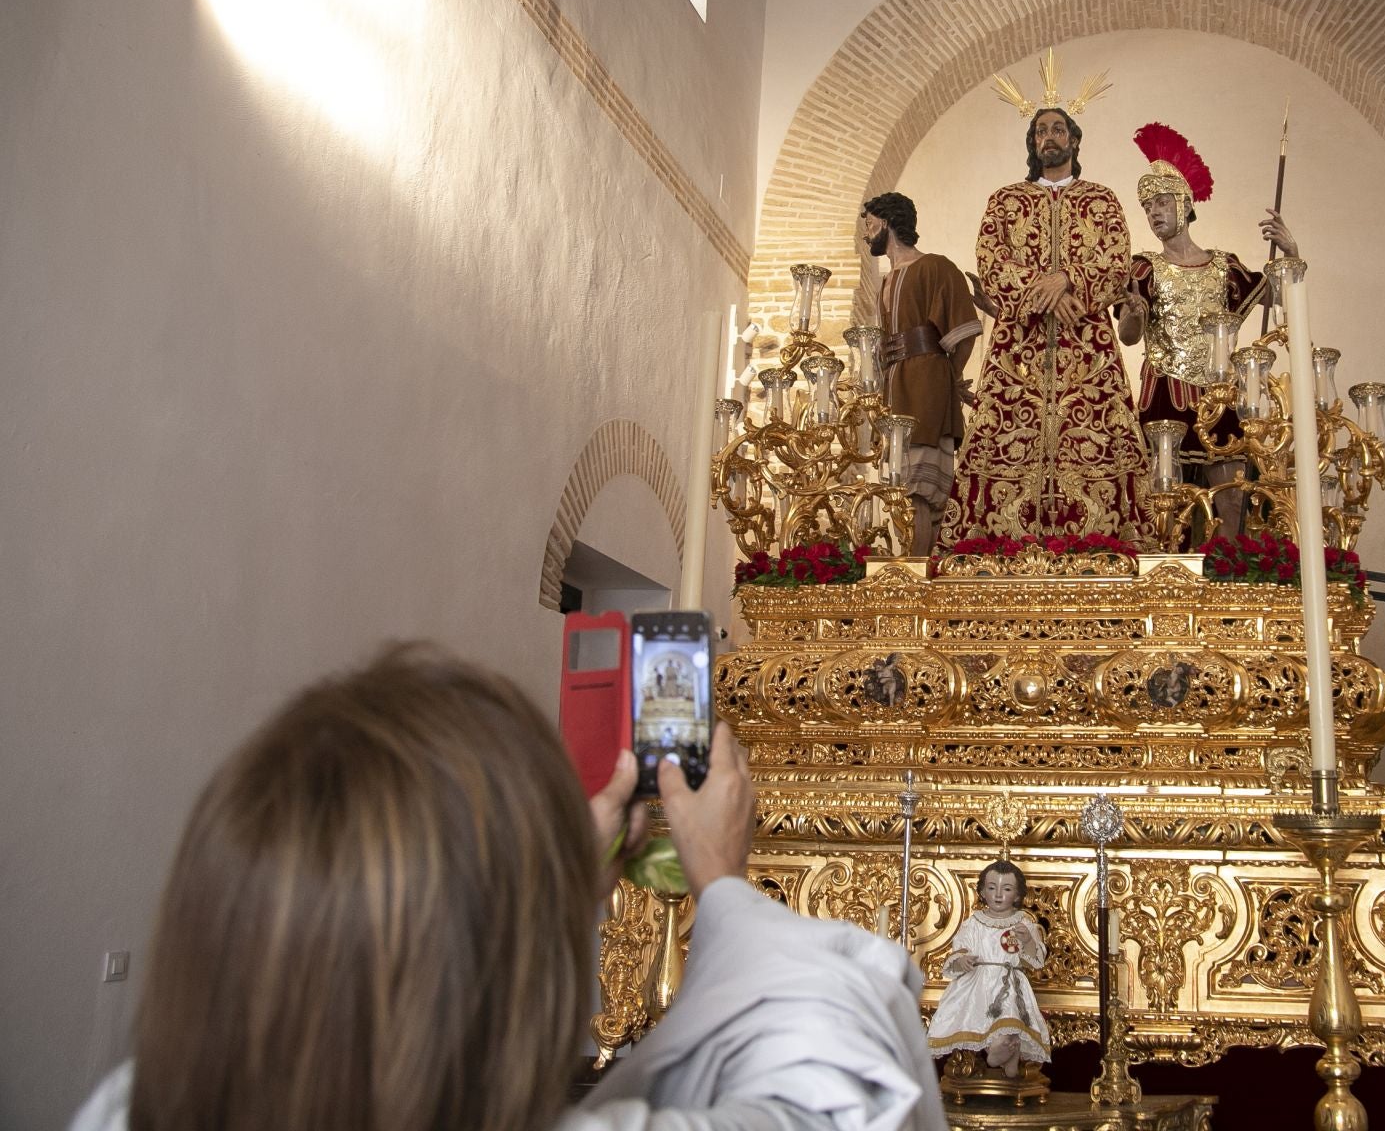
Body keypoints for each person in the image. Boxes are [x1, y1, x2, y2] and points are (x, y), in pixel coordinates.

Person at [69, 644, 943, 1131]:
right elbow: (845, 1094)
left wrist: (550, 875)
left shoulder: (122, 1112)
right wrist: (723, 881)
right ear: (503, 976)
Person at [938, 85, 1151, 547]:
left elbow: (1117, 260)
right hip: (1019, 349)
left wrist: (1069, 278)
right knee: (1002, 438)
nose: (1049, 137)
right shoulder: (1006, 200)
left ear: (1074, 140)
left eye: (1058, 129)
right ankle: (995, 546)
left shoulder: (1101, 200)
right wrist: (1049, 289)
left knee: (1101, 440)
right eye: (1040, 131)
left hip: (1087, 348)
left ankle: (1106, 544)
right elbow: (991, 261)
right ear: (1033, 143)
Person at [1114, 122, 1279, 539]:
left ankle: (1228, 577)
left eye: (1161, 202)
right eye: (1147, 205)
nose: (1153, 212)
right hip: (1166, 387)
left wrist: (1290, 252)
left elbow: (1276, 292)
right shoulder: (1144, 266)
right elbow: (1130, 336)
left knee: (1232, 494)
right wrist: (1134, 311)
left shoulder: (1225, 265)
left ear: (1184, 203)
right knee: (1164, 497)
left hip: (1219, 389)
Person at [858, 192, 981, 555]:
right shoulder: (886, 280)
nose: (865, 232)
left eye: (869, 222)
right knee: (900, 489)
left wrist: (949, 379)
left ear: (887, 221)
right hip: (894, 391)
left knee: (918, 491)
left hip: (926, 388)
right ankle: (914, 567)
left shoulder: (935, 267)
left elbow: (963, 332)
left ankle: (917, 576)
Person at [925, 861, 1050, 1077]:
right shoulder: (974, 923)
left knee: (1010, 1015)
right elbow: (959, 950)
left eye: (1007, 889)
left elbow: (1036, 961)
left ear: (1018, 895)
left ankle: (1006, 1049)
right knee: (983, 1022)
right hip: (978, 984)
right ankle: (1003, 1051)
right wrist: (961, 960)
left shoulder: (1023, 923)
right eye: (992, 888)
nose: (998, 895)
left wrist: (1028, 940)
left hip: (1009, 982)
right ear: (983, 891)